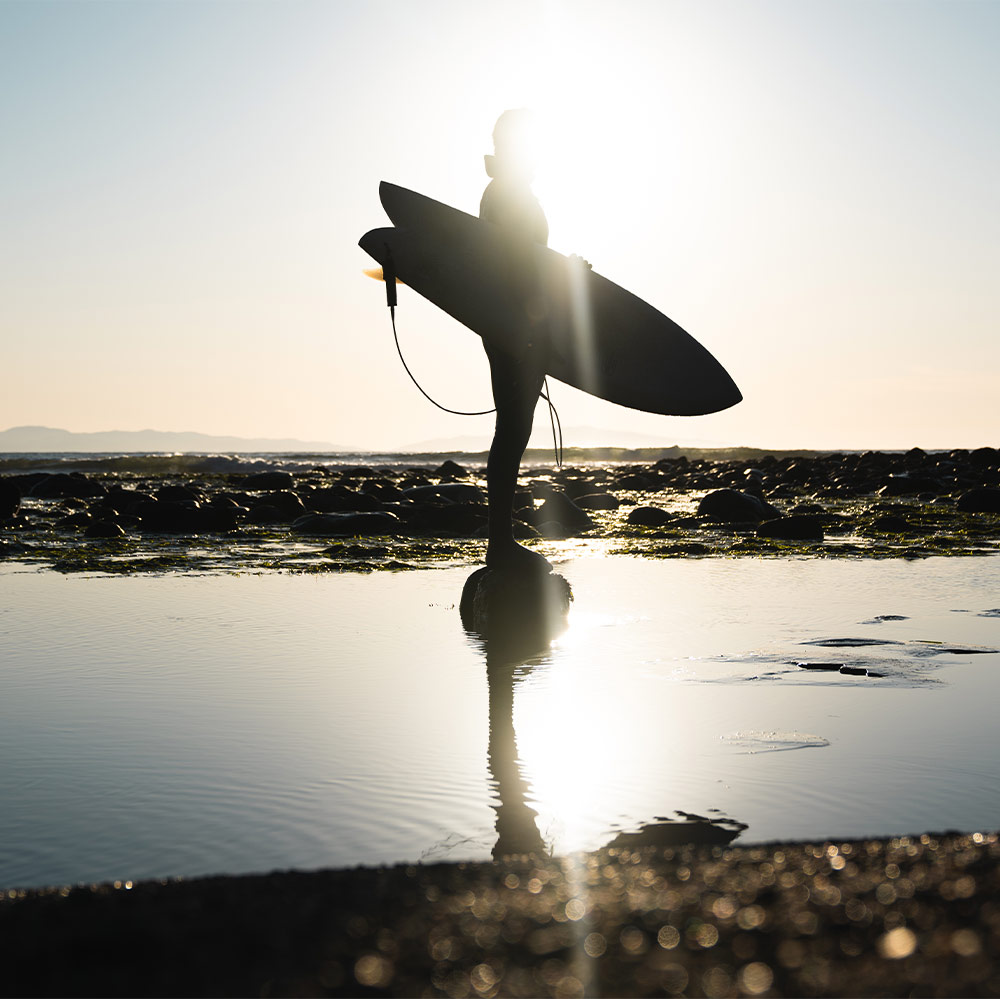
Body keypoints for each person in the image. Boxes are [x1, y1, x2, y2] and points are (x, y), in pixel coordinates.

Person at [479, 110, 553, 573]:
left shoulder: (514, 192)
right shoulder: (503, 194)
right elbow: (511, 265)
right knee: (511, 429)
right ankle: (499, 543)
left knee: (515, 427)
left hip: (519, 323)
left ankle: (500, 540)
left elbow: (531, 260)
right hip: (511, 324)